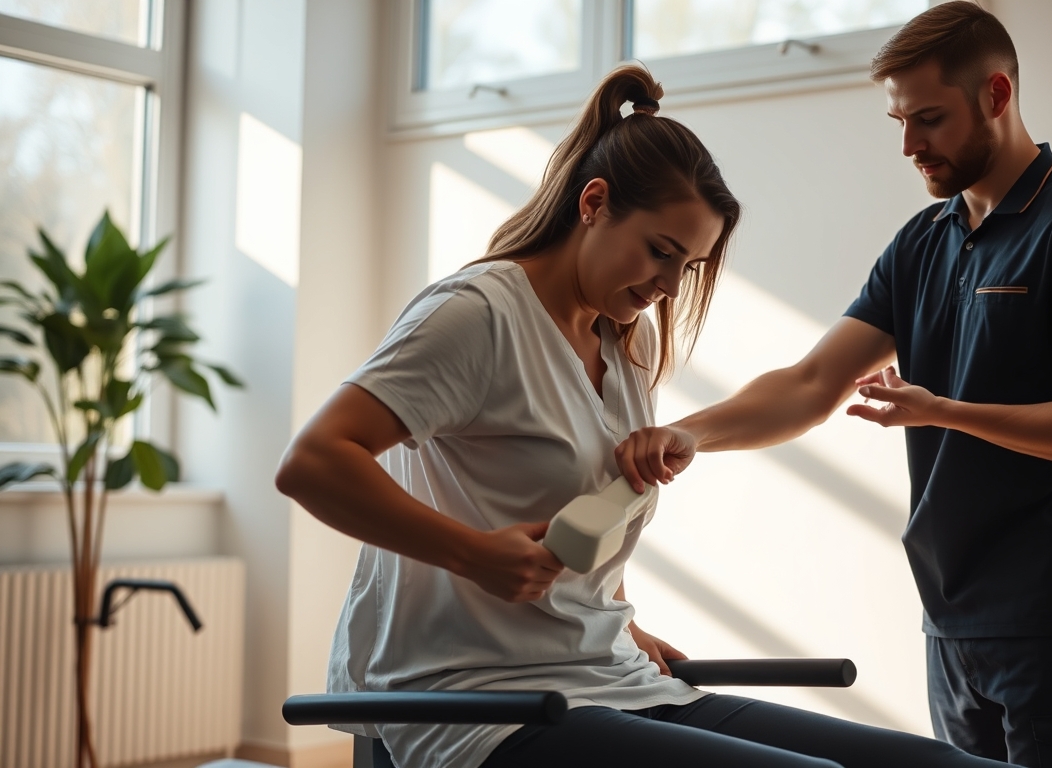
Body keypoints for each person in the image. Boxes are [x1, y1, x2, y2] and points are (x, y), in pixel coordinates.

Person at [275, 64, 1010, 768]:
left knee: (936, 763)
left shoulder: (620, 345)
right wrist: (471, 552)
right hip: (479, 702)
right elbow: (313, 462)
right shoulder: (477, 315)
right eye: (659, 253)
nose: (665, 285)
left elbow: (593, 517)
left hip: (611, 678)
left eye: (685, 267)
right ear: (592, 203)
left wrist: (617, 620)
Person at [615, 5, 1052, 768]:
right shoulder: (922, 242)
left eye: (929, 119)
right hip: (950, 616)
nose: (909, 145)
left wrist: (944, 412)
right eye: (900, 120)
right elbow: (811, 382)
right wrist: (691, 434)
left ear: (996, 95)